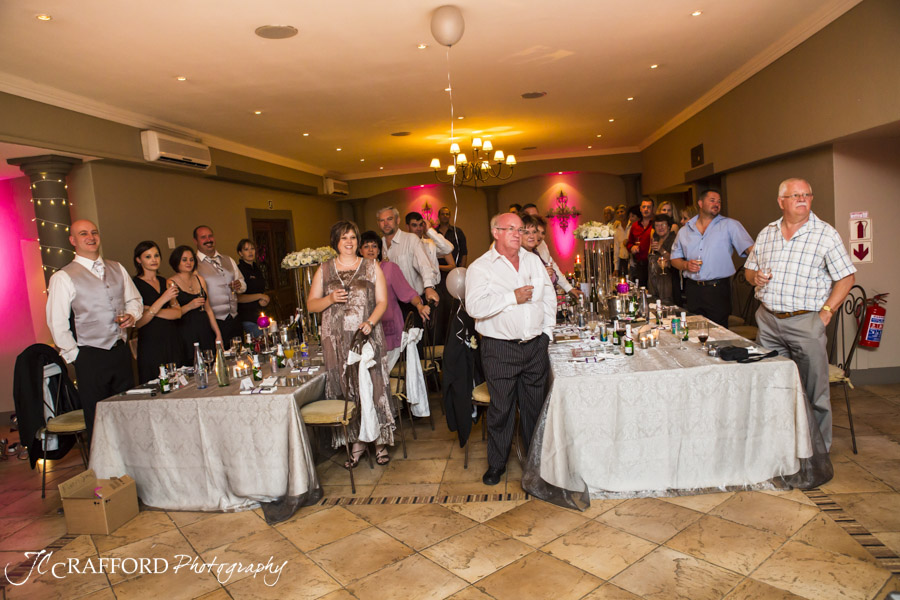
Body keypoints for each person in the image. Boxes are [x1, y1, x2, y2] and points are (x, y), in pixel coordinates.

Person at [745, 178, 856, 451]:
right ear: (781, 201)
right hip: (768, 321)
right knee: (773, 388)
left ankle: (817, 456)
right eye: (795, 195)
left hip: (806, 322)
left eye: (806, 194)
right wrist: (754, 277)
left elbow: (846, 278)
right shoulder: (767, 233)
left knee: (815, 393)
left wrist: (826, 313)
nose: (802, 199)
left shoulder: (825, 234)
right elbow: (749, 269)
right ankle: (780, 449)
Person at [465, 212, 556, 486]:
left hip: (535, 346)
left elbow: (548, 298)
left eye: (520, 229)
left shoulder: (533, 260)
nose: (518, 234)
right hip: (500, 349)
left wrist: (547, 334)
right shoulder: (481, 267)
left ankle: (535, 463)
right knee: (501, 409)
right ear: (496, 232)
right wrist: (511, 297)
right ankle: (497, 464)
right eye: (511, 229)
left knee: (534, 409)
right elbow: (474, 307)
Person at [46, 219, 143, 439]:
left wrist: (132, 315)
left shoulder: (117, 267)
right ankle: (101, 461)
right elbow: (56, 322)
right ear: (73, 240)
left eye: (94, 232)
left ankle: (131, 457)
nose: (90, 237)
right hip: (90, 356)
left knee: (127, 412)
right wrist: (76, 356)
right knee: (98, 418)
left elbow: (135, 300)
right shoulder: (63, 277)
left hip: (120, 351)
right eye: (83, 234)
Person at [308, 221, 394, 466]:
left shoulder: (371, 266)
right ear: (335, 241)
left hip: (366, 337)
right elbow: (311, 305)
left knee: (373, 387)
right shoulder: (324, 269)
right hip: (336, 341)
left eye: (353, 237)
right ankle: (356, 442)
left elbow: (382, 301)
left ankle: (379, 441)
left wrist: (370, 322)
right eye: (344, 237)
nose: (349, 242)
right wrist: (329, 298)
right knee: (348, 389)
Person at [670, 189, 755, 327]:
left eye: (719, 201)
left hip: (718, 290)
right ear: (700, 203)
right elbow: (674, 259)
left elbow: (750, 250)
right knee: (695, 329)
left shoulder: (730, 225)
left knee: (719, 331)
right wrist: (685, 265)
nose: (717, 204)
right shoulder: (685, 230)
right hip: (692, 289)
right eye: (712, 200)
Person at [358, 230, 430, 370]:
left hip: (389, 329)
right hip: (366, 331)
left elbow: (407, 292)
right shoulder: (356, 274)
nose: (371, 250)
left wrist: (419, 306)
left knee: (381, 373)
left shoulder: (390, 268)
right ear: (360, 251)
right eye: (366, 246)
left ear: (379, 250)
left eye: (374, 246)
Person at [132, 241, 183, 383]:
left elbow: (177, 313)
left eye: (156, 255)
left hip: (171, 339)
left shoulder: (165, 281)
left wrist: (151, 310)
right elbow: (139, 322)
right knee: (155, 384)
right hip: (151, 343)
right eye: (148, 257)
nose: (154, 260)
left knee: (177, 382)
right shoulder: (135, 285)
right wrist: (163, 299)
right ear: (139, 260)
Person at [377, 207, 440, 308]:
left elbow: (424, 265)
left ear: (398, 220)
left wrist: (429, 287)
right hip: (392, 305)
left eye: (389, 219)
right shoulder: (379, 244)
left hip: (415, 302)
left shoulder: (411, 239)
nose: (386, 223)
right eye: (382, 220)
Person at [194, 225, 246, 348]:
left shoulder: (228, 260)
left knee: (240, 354)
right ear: (195, 241)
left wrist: (239, 286)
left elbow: (243, 283)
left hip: (234, 318)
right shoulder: (193, 264)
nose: (208, 240)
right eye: (203, 237)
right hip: (212, 322)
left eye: (210, 236)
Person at [168, 246, 221, 361]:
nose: (189, 263)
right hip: (185, 330)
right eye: (184, 260)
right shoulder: (171, 282)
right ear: (176, 261)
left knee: (210, 361)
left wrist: (218, 334)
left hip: (204, 327)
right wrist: (189, 306)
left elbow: (208, 309)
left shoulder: (200, 279)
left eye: (191, 259)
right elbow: (173, 313)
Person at [521, 204, 583, 298]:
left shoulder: (541, 246)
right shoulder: (519, 254)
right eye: (531, 217)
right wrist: (542, 275)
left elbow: (553, 266)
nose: (533, 235)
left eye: (535, 232)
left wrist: (568, 288)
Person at [235, 239, 270, 337]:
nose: (250, 252)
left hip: (260, 314)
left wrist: (264, 299)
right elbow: (238, 298)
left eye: (252, 249)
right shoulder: (239, 270)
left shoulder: (257, 268)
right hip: (248, 317)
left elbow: (260, 289)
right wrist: (260, 296)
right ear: (240, 253)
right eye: (246, 249)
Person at [647, 215, 678, 304]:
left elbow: (675, 260)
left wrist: (661, 250)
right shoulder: (655, 238)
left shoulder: (674, 239)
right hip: (654, 284)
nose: (660, 228)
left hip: (668, 286)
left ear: (669, 226)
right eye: (657, 225)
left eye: (663, 225)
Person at [626, 198, 655, 286]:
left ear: (653, 209)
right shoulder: (635, 226)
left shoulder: (656, 224)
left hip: (654, 264)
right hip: (640, 265)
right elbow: (629, 243)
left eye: (649, 207)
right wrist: (632, 247)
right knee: (642, 288)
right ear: (640, 209)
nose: (646, 209)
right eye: (644, 207)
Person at [521, 214, 557, 285]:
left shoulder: (535, 253)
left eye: (534, 232)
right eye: (527, 233)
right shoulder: (518, 257)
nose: (531, 236)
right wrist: (543, 275)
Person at [613, 204, 631, 275]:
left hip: (633, 260)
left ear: (626, 212)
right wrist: (616, 268)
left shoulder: (632, 225)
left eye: (622, 211)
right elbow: (616, 248)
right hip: (622, 261)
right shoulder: (617, 229)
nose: (620, 214)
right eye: (618, 213)